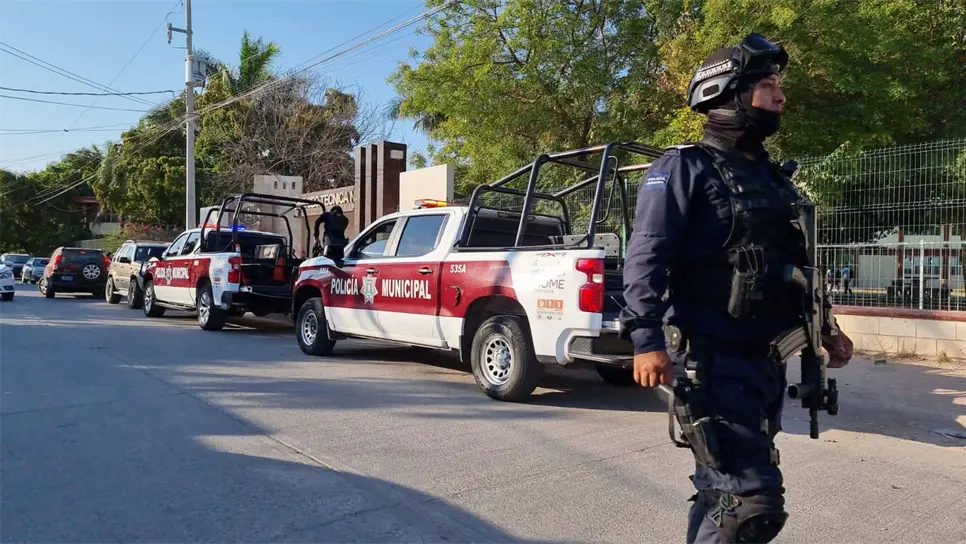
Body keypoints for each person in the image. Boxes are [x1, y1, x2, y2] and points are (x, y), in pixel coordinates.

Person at [619, 33, 854, 544]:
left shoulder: (773, 178)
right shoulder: (684, 167)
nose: (781, 95)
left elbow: (798, 266)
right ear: (728, 92)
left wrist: (828, 328)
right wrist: (646, 339)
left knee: (722, 490)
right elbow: (646, 257)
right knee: (751, 505)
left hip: (766, 360)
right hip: (712, 360)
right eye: (768, 85)